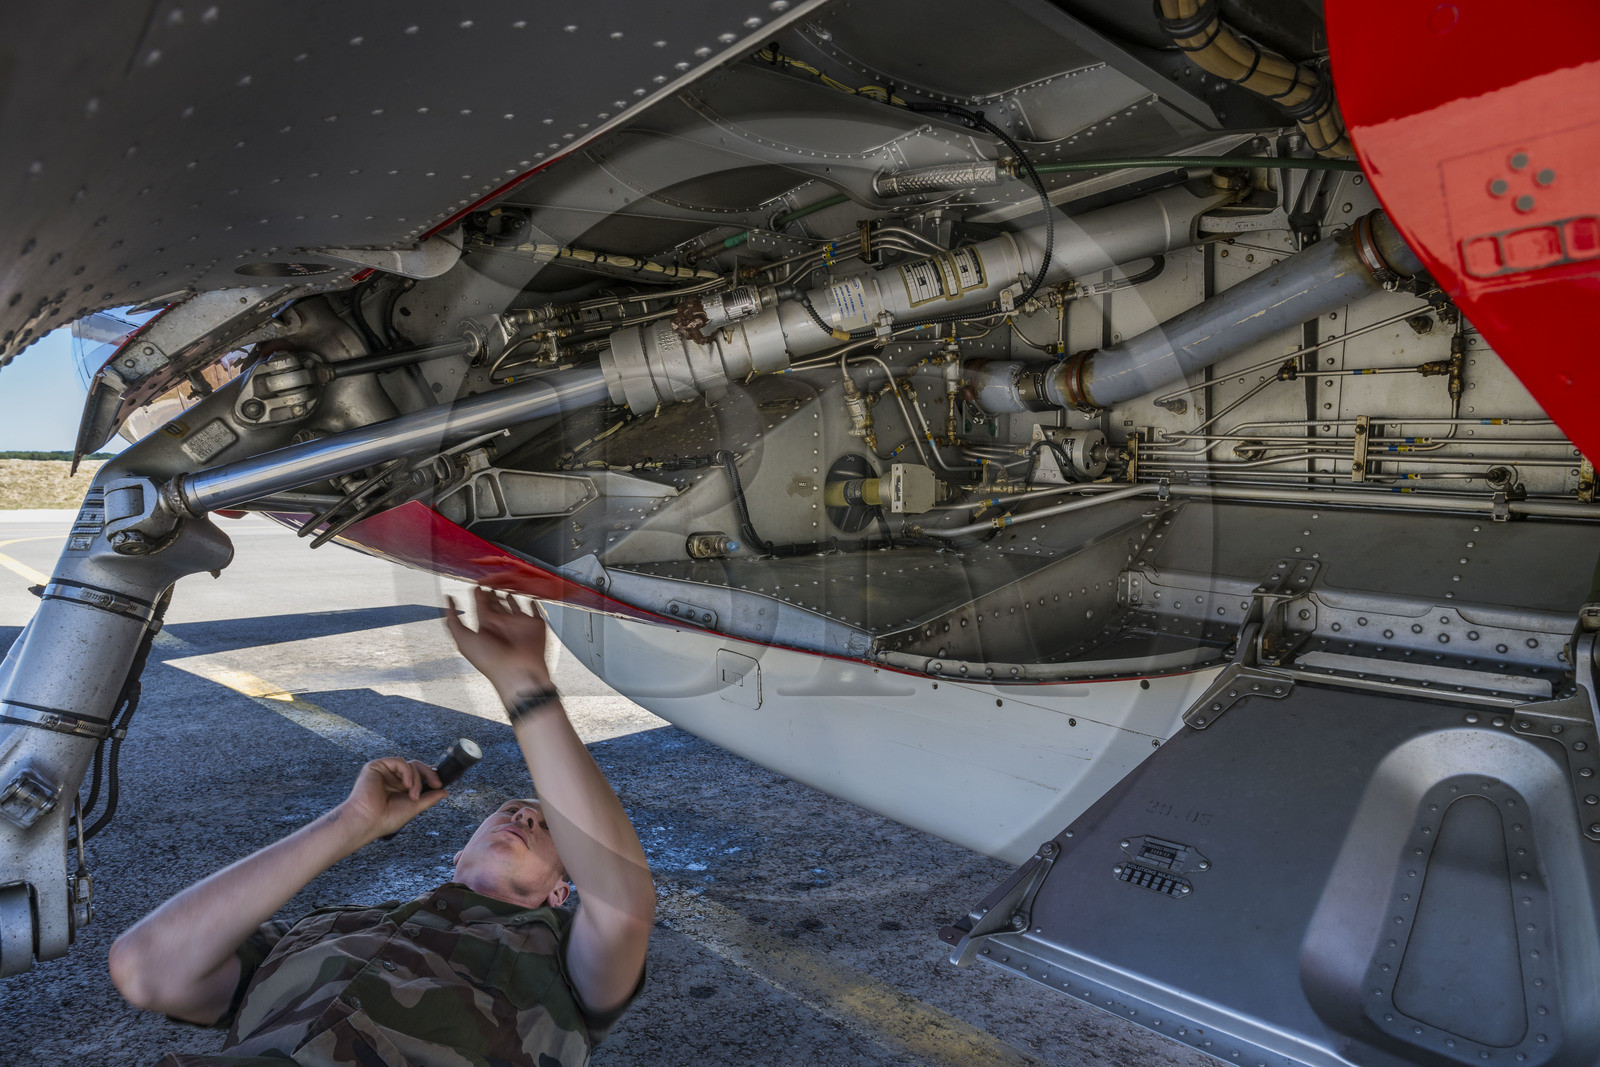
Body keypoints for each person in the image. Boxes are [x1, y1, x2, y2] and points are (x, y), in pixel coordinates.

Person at [108, 585, 654, 1066]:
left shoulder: (565, 961)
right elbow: (148, 968)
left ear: (562, 891)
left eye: (546, 825)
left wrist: (525, 683)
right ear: (457, 857)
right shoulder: (322, 929)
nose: (525, 814)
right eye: (509, 809)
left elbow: (623, 907)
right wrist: (353, 822)